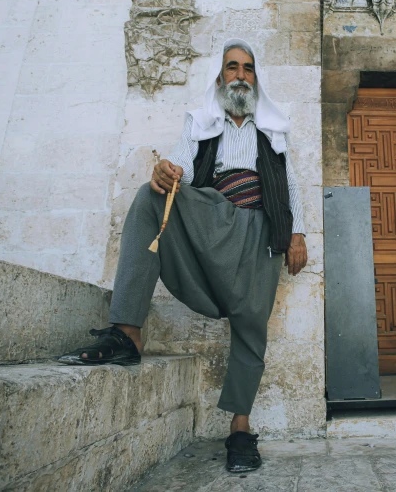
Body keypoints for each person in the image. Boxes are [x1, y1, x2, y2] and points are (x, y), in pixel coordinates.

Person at [58, 38, 308, 473]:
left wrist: (298, 232)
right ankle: (127, 334)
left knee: (252, 323)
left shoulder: (273, 129)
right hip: (213, 217)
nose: (241, 76)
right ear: (220, 77)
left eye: (248, 69)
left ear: (255, 78)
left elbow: (291, 184)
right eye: (232, 68)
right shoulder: (201, 122)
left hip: (261, 228)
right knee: (149, 196)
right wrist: (165, 171)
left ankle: (240, 429)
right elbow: (182, 163)